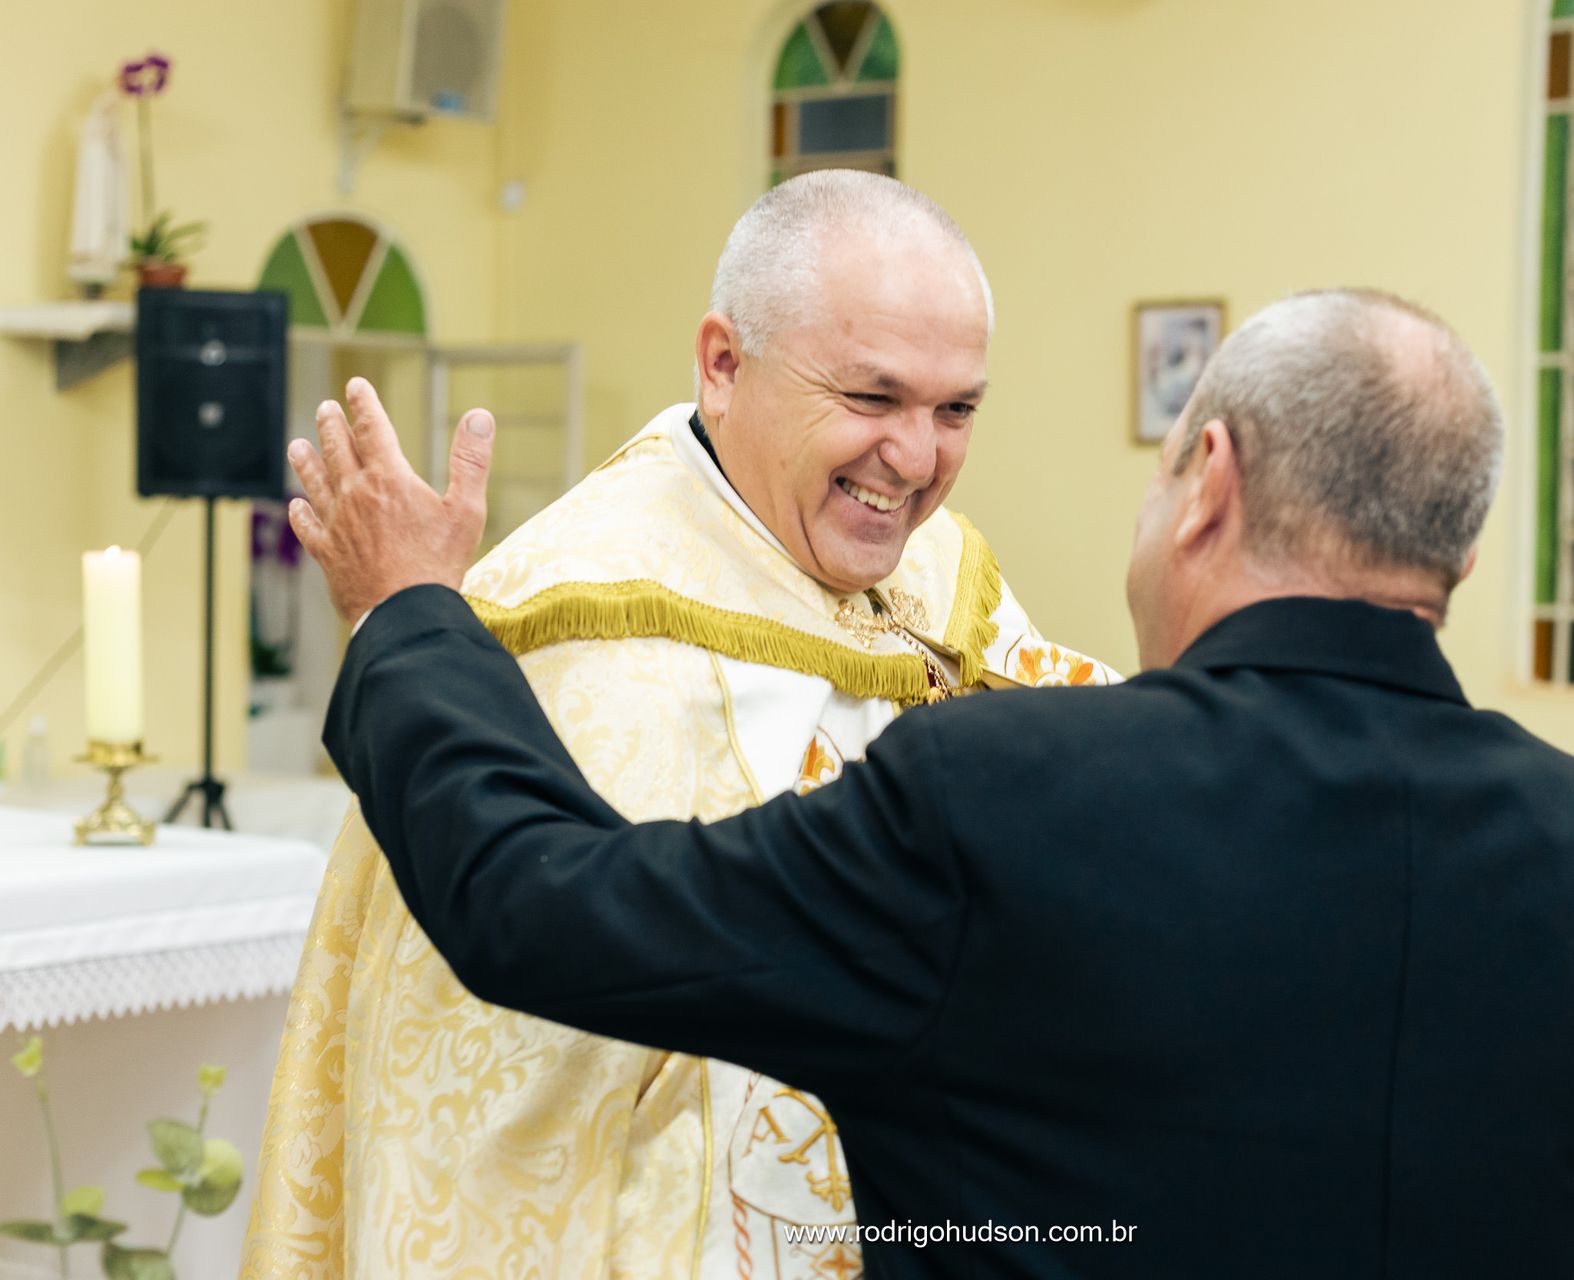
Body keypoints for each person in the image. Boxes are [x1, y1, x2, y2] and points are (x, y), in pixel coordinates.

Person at [290, 288, 1574, 1278]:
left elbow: (546, 909)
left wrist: (414, 613)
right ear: (1461, 561)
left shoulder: (1010, 793)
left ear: (1208, 483)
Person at [241, 172, 1114, 1279]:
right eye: (871, 397)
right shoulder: (572, 621)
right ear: (721, 363)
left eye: (956, 410)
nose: (916, 458)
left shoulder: (947, 576)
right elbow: (493, 1062)